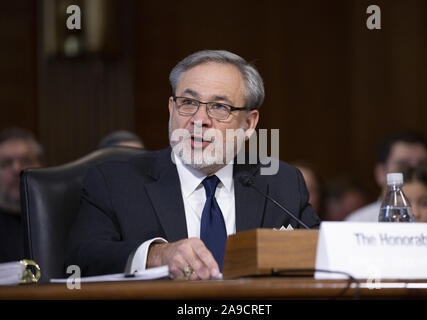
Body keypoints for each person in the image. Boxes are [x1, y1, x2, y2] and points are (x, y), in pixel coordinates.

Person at [66, 50, 320, 280]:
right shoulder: (116, 181)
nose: (199, 120)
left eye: (219, 107)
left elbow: (324, 252)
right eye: (188, 103)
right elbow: (80, 259)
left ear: (249, 124)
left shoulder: (279, 182)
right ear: (171, 109)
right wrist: (157, 255)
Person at [345, 130, 427, 222]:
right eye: (403, 165)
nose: (413, 171)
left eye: (422, 165)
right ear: (381, 173)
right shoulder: (358, 223)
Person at [0, 127, 44, 262]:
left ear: (41, 166)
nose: (16, 169)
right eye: (6, 163)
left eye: (25, 161)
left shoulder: (58, 220)